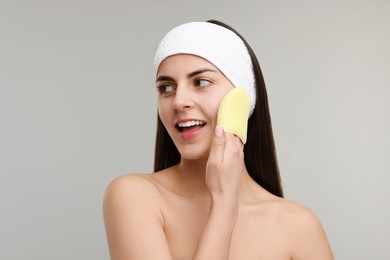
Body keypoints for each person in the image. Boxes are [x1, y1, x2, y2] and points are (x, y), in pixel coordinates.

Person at [103, 20, 334, 259]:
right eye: (166, 88)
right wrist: (223, 207)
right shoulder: (134, 197)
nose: (179, 101)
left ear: (242, 100)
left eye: (200, 82)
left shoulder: (298, 226)